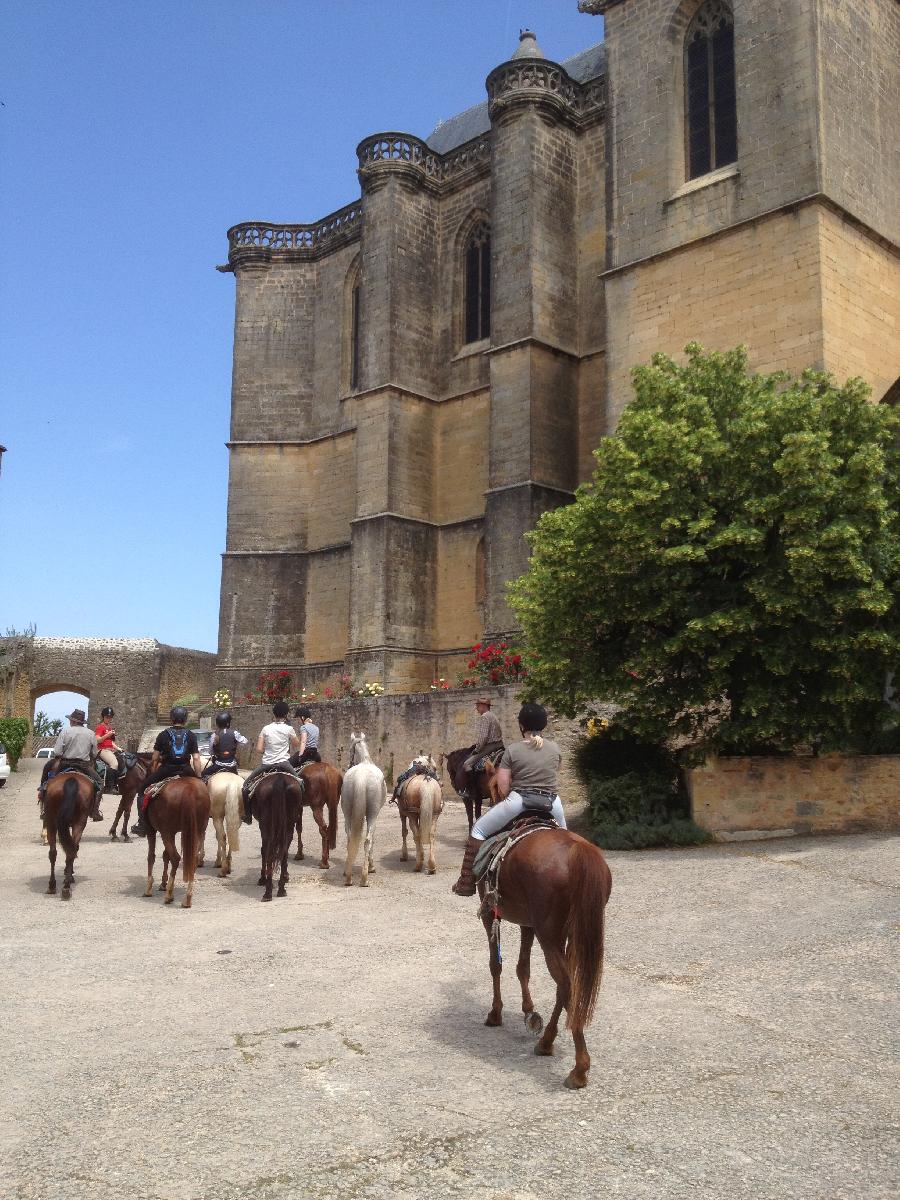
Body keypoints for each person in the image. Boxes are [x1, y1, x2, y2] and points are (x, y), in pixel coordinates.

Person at [452, 702, 566, 896]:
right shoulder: (555, 749)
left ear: (522, 726)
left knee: (478, 830)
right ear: (544, 725)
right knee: (565, 838)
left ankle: (466, 882)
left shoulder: (513, 750)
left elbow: (503, 787)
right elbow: (554, 774)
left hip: (520, 801)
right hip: (552, 803)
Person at [131, 706, 201, 836]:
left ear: (171, 719)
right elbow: (196, 758)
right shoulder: (191, 735)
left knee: (142, 790)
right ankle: (204, 816)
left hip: (167, 769)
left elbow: (155, 757)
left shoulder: (163, 734)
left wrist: (153, 767)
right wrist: (198, 776)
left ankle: (142, 824)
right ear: (185, 719)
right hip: (185, 769)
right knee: (203, 790)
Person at [241, 701, 302, 824]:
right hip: (284, 763)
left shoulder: (265, 728)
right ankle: (298, 813)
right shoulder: (289, 728)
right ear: (286, 714)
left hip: (267, 763)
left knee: (246, 786)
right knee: (301, 784)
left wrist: (269, 751)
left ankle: (248, 815)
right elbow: (297, 744)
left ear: (274, 714)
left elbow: (259, 749)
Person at [42, 708, 104, 821]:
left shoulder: (65, 732)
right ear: (81, 722)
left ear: (74, 721)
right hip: (84, 766)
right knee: (100, 783)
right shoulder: (91, 734)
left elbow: (57, 752)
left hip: (65, 764)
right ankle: (95, 811)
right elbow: (94, 753)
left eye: (71, 720)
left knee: (47, 783)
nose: (70, 722)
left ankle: (46, 810)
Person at [454, 697, 504, 799]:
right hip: (499, 745)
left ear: (484, 706)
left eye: (478, 706)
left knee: (467, 764)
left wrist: (477, 749)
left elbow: (483, 737)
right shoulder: (493, 716)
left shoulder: (485, 717)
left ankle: (469, 790)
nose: (476, 708)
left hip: (490, 746)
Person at [201, 710, 248, 779]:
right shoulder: (234, 733)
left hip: (218, 765)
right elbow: (244, 742)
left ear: (217, 723)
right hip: (232, 765)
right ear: (228, 723)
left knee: (203, 774)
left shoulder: (214, 735)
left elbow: (211, 752)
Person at [95, 706, 126, 792]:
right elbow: (97, 740)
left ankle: (118, 784)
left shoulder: (109, 727)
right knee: (114, 764)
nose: (109, 719)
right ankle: (110, 787)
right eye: (107, 717)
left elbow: (111, 742)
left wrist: (118, 748)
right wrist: (107, 735)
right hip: (102, 749)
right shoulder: (100, 727)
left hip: (110, 749)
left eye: (110, 717)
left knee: (122, 760)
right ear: (103, 717)